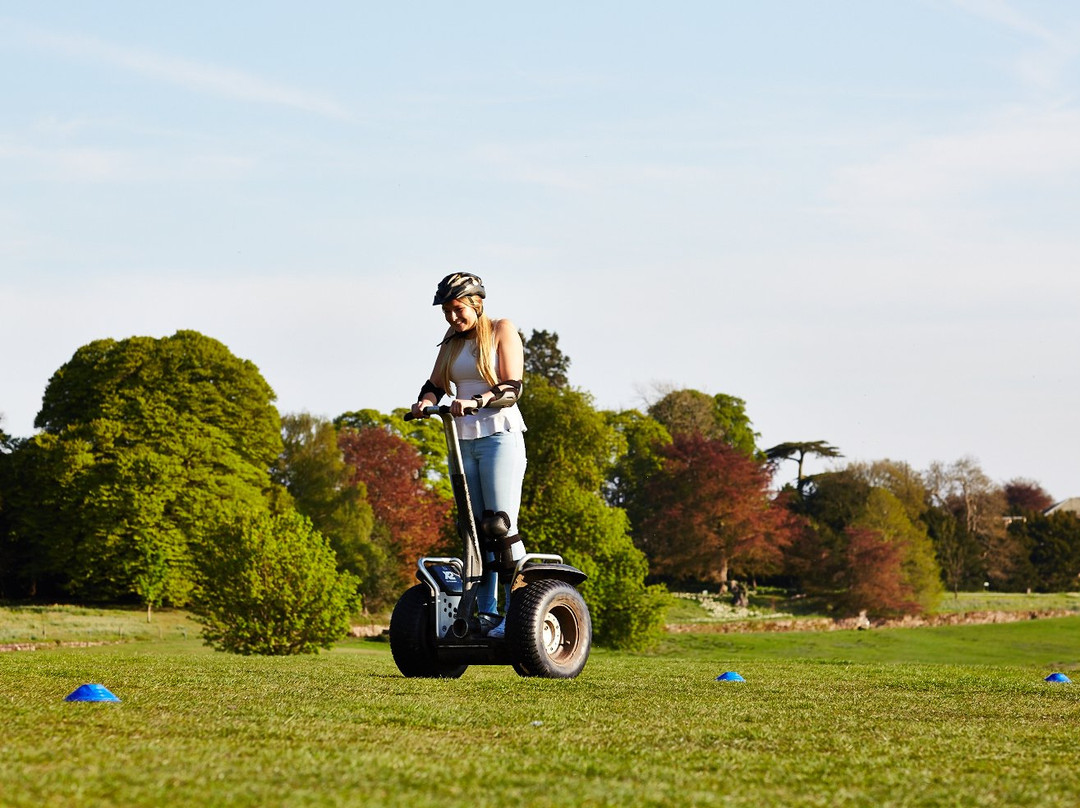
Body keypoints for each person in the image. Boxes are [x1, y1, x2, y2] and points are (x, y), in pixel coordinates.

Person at [410, 272, 527, 638]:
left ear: (476, 303)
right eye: (446, 311)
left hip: (499, 435)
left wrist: (477, 400)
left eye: (457, 309)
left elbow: (512, 387)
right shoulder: (451, 341)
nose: (451, 317)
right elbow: (435, 385)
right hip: (463, 438)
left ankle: (517, 613)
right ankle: (486, 613)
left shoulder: (501, 330)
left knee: (500, 527)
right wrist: (425, 403)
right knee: (474, 530)